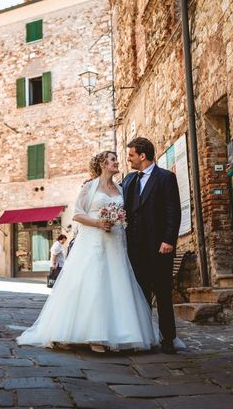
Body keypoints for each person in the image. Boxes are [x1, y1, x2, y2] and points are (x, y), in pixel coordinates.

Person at [17, 151, 158, 352]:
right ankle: (93, 335)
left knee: (118, 283)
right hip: (93, 241)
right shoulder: (89, 187)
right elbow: (77, 215)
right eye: (112, 159)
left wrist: (116, 220)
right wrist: (99, 223)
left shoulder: (121, 188)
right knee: (93, 282)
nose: (117, 162)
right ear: (102, 164)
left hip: (116, 241)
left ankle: (126, 333)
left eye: (117, 159)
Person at [124, 137, 182, 355]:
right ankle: (145, 336)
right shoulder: (129, 180)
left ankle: (168, 338)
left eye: (131, 155)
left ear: (142, 156)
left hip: (159, 246)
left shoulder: (165, 178)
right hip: (135, 248)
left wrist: (169, 240)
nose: (128, 159)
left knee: (163, 294)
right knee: (141, 294)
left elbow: (173, 211)